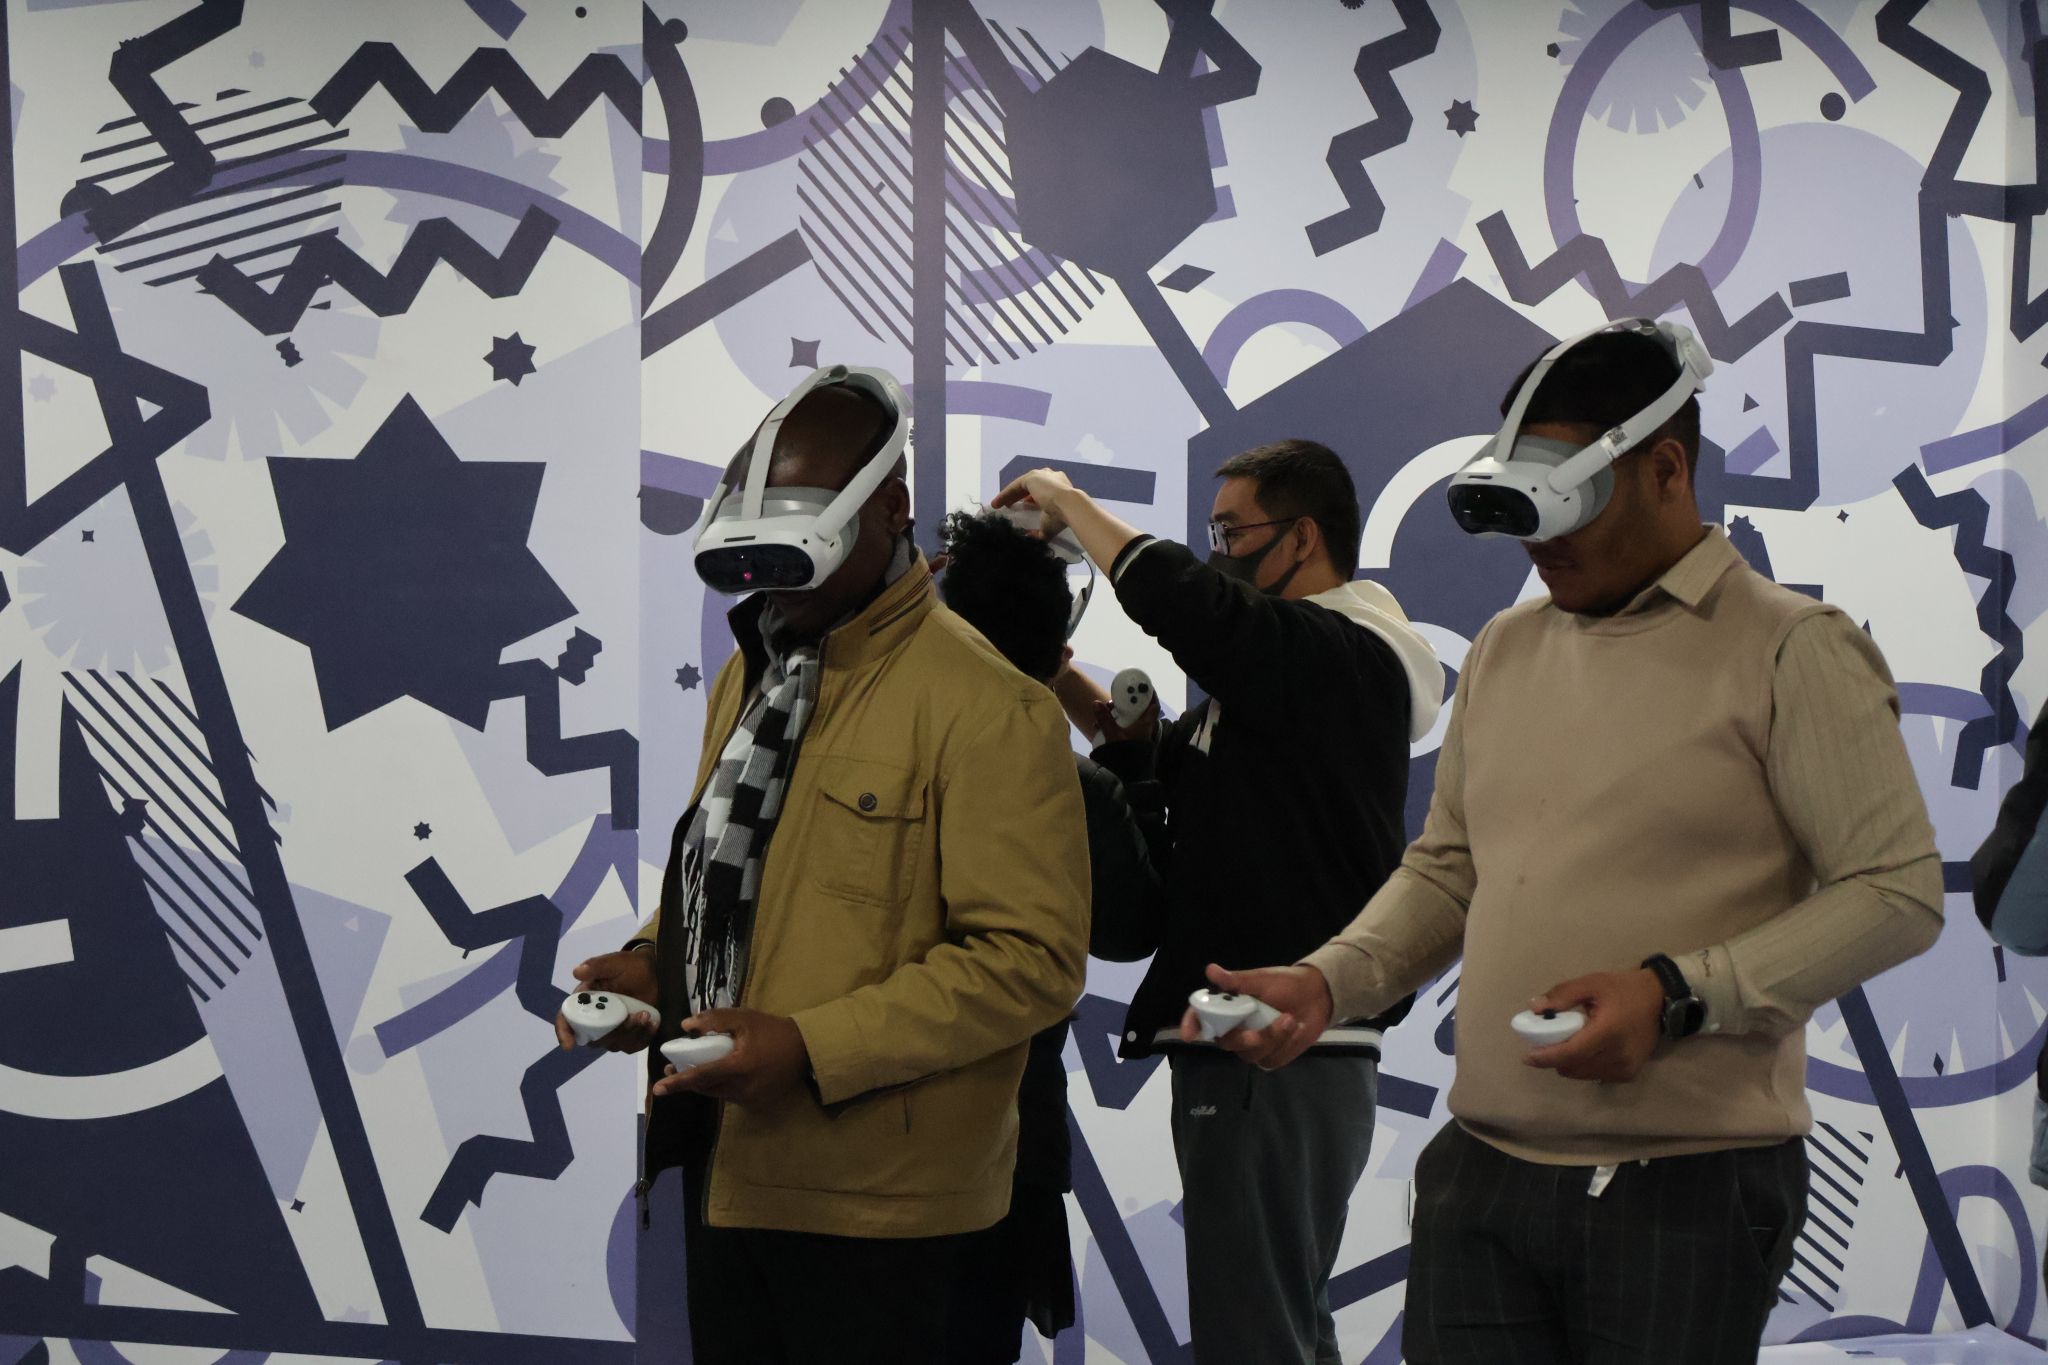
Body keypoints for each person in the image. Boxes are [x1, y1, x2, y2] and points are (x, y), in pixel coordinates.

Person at [1203, 324, 1944, 1364]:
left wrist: (1678, 993)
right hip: (1481, 1170)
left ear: (1666, 468)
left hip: (1685, 1184)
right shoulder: (1506, 649)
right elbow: (1449, 869)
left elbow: (1896, 890)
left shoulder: (1789, 647)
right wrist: (1333, 980)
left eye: (1567, 500)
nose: (1535, 542)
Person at [554, 368, 1091, 1365]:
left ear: (891, 509)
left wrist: (810, 1045)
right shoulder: (751, 670)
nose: (777, 574)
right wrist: (655, 963)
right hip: (727, 1174)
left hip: (887, 1224)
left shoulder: (991, 706)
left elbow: (1033, 962)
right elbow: (728, 864)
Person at [995, 441, 1444, 1365]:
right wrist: (1057, 677)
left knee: (1255, 1335)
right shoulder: (1278, 693)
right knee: (1283, 1325)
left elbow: (1196, 611)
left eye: (1233, 533)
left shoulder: (1338, 655)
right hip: (1261, 1049)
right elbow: (1168, 771)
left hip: (1273, 1046)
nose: (1219, 555)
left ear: (1303, 538)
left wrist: (1070, 504)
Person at [933, 507, 1170, 1363]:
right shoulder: (1073, 787)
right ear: (1055, 646)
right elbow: (1130, 928)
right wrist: (1132, 767)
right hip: (1007, 1133)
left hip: (854, 1125)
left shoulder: (869, 753)